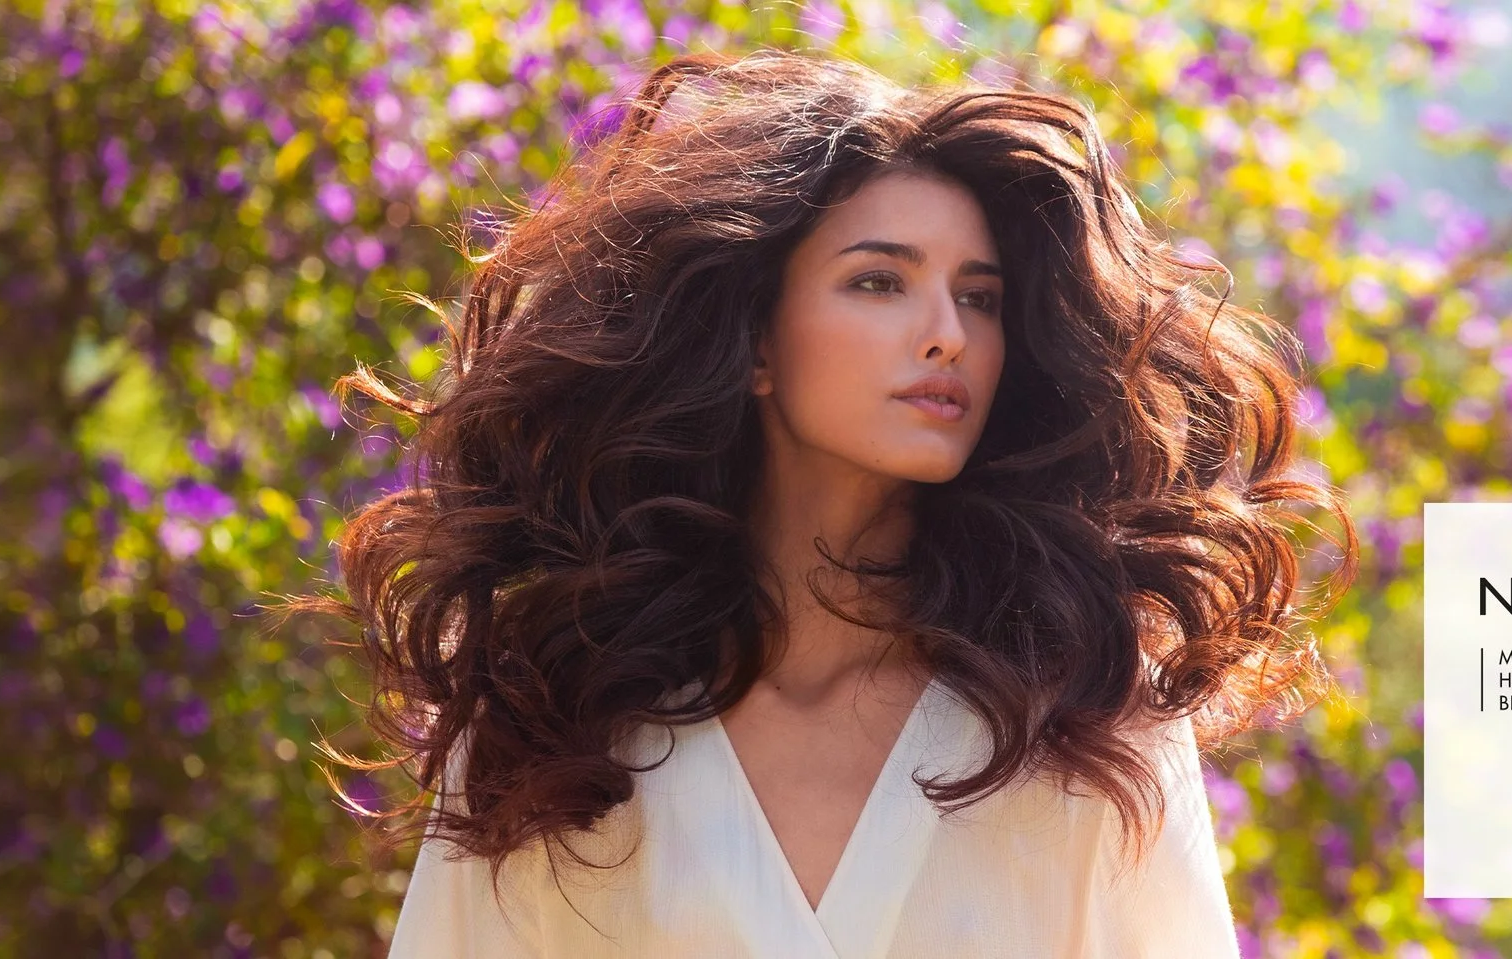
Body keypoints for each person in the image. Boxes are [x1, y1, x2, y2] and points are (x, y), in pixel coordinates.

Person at [297, 46, 1353, 957]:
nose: (947, 334)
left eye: (979, 297)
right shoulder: (555, 721)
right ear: (755, 343)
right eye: (879, 281)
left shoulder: (1083, 717)